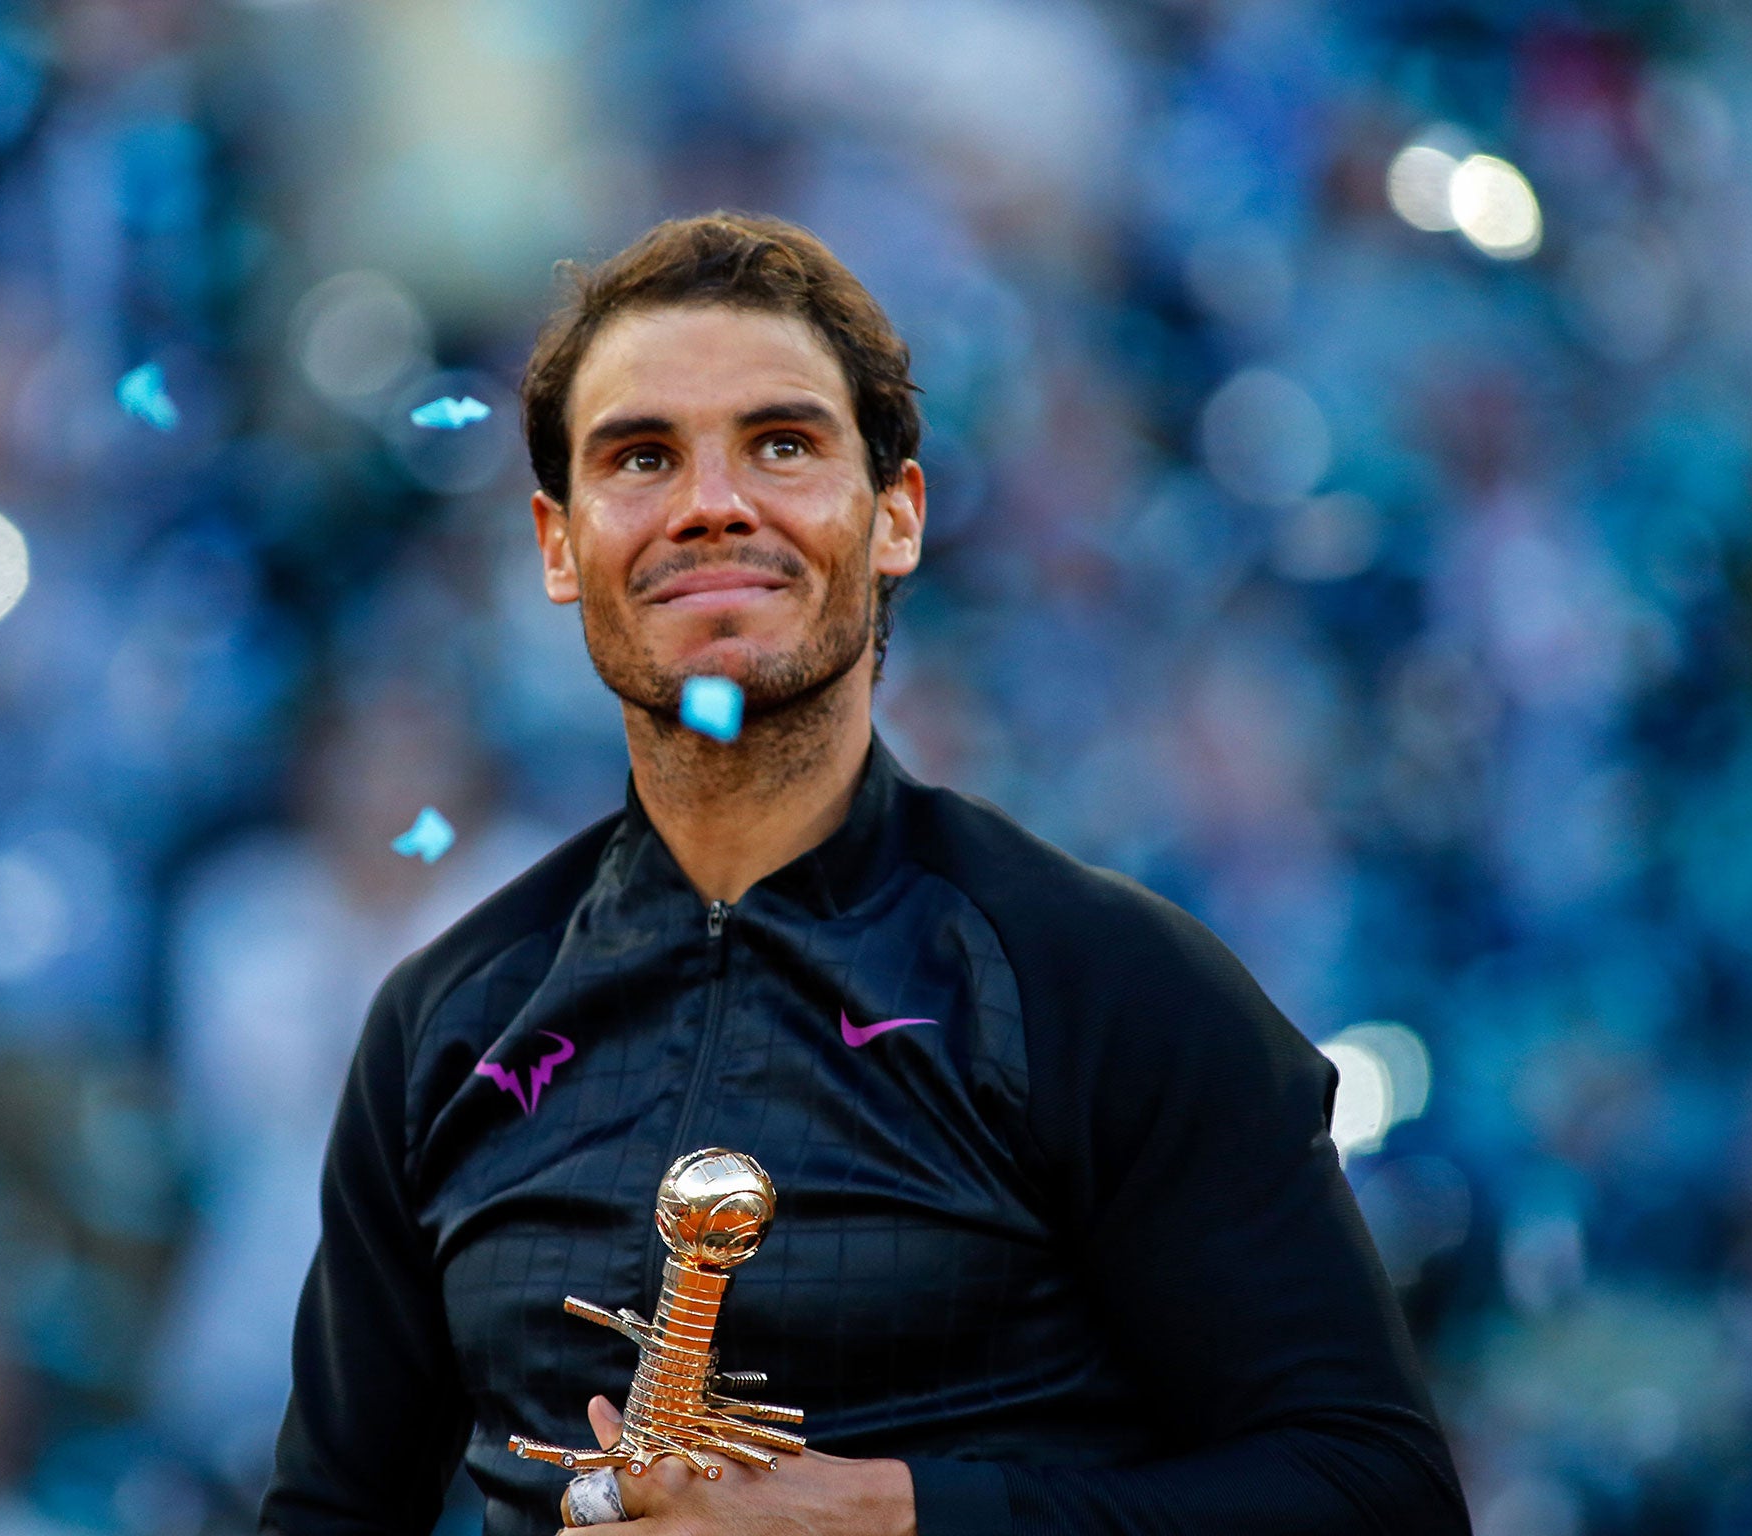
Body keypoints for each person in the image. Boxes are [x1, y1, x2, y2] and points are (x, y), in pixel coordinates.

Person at [259, 213, 1471, 1536]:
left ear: (896, 517)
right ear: (558, 545)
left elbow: (1377, 1494)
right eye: (642, 456)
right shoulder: (448, 1021)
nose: (712, 504)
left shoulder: (1104, 985)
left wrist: (893, 1517)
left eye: (782, 445)